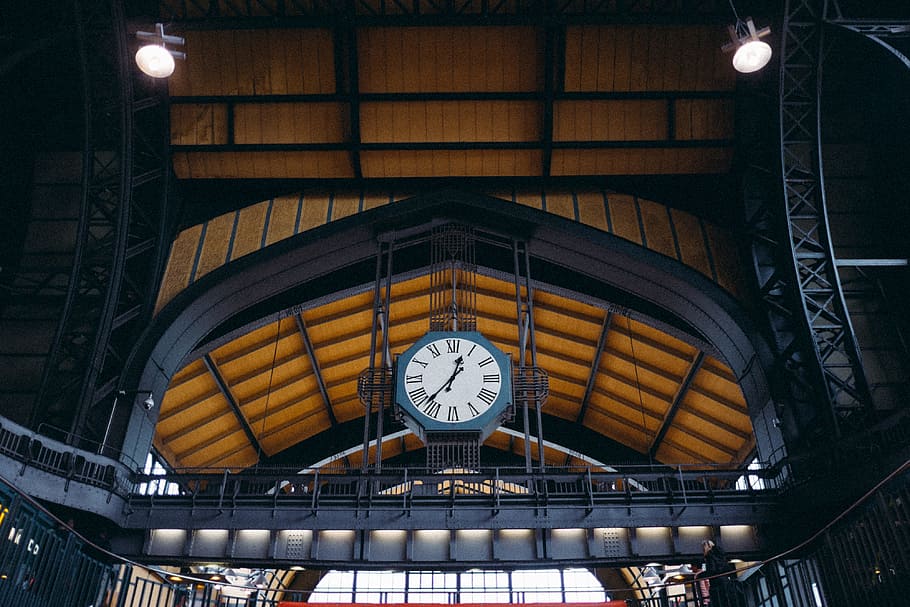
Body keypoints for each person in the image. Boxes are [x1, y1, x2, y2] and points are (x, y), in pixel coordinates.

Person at [702, 540, 737, 607]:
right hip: (725, 580)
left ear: (706, 547)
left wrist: (705, 574)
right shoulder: (720, 554)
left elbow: (712, 569)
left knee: (720, 601)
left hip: (717, 583)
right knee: (728, 600)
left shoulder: (709, 556)